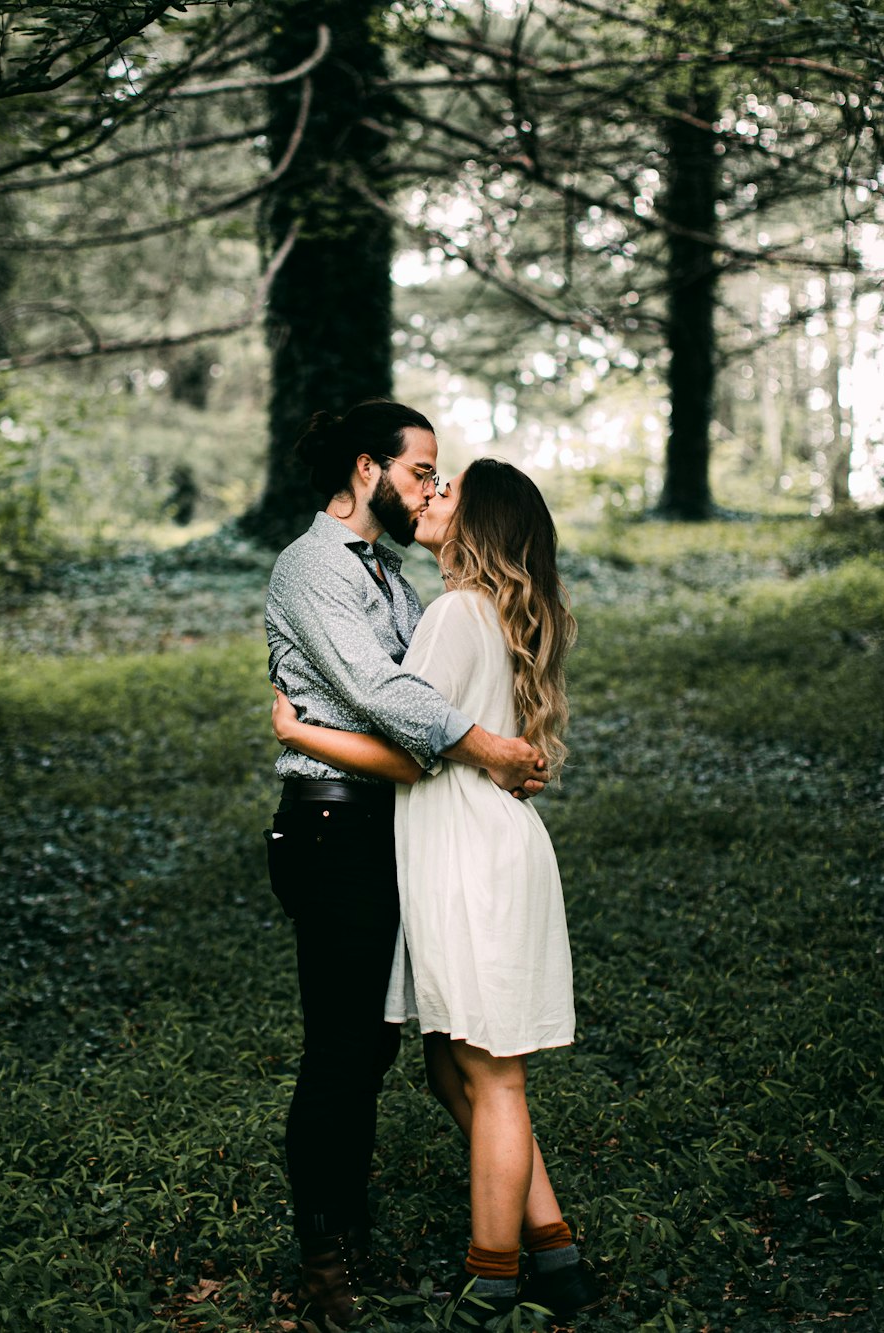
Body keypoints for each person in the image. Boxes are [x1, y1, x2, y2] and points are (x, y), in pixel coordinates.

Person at [272, 458, 601, 1325]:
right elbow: (474, 739)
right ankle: (555, 1253)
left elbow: (413, 742)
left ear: (479, 521)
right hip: (474, 848)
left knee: (493, 1078)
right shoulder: (481, 612)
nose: (429, 496)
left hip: (472, 857)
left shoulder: (455, 613)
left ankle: (491, 1281)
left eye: (445, 489)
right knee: (455, 1069)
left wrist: (301, 731)